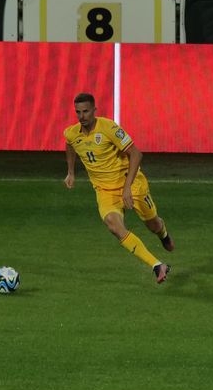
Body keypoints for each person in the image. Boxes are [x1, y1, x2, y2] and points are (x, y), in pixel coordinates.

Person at [64, 92, 174, 284]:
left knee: (153, 224)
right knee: (114, 226)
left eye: (86, 111)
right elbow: (70, 145)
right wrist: (71, 172)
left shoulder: (109, 128)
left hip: (131, 183)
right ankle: (157, 265)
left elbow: (136, 154)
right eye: (78, 112)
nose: (82, 116)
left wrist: (127, 188)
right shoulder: (72, 133)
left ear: (94, 111)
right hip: (104, 191)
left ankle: (163, 233)